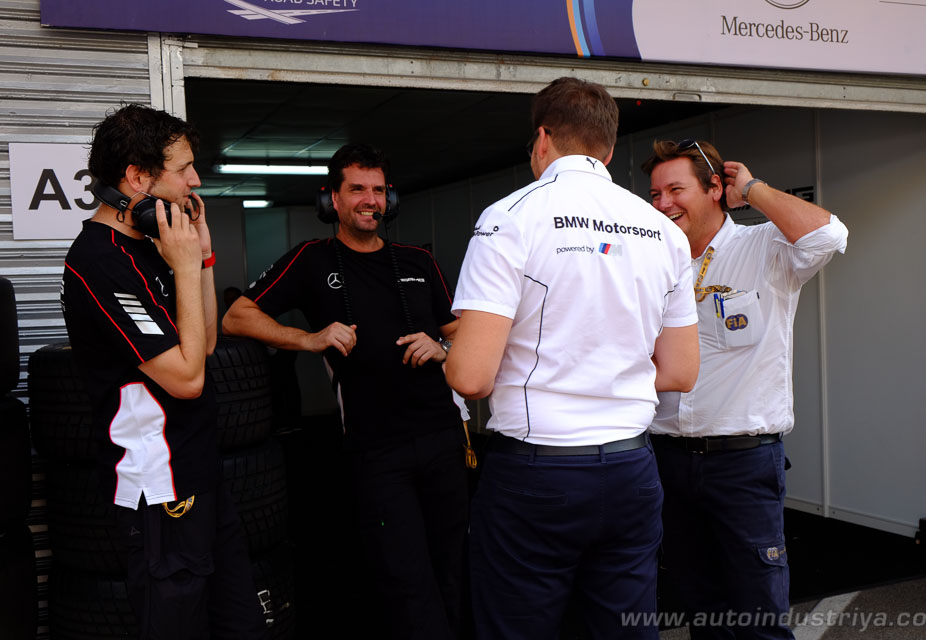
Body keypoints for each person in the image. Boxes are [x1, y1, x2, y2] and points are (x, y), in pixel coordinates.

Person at [445, 77, 700, 639]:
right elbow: (681, 371)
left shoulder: (508, 217)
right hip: (632, 470)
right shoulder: (665, 232)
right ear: (608, 151)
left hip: (537, 473)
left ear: (542, 139)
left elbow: (470, 377)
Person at [222, 143, 467, 640]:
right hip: (377, 449)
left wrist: (442, 345)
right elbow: (235, 316)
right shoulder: (312, 261)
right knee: (404, 574)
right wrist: (309, 339)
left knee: (456, 564)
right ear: (333, 199)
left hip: (443, 437)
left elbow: (460, 333)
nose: (370, 200)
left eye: (378, 190)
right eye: (357, 189)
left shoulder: (419, 259)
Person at [60, 104, 266, 638]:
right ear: (136, 176)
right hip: (160, 489)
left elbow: (209, 342)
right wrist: (181, 264)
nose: (196, 182)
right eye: (183, 169)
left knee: (242, 624)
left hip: (200, 471)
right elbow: (187, 377)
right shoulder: (98, 261)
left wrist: (199, 257)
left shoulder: (155, 247)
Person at [642, 139, 849, 639]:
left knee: (758, 606)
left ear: (716, 188)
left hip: (742, 461)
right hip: (667, 458)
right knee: (699, 603)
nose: (663, 203)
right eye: (654, 193)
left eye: (676, 189)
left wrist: (753, 189)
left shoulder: (764, 248)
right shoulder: (651, 265)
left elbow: (829, 236)